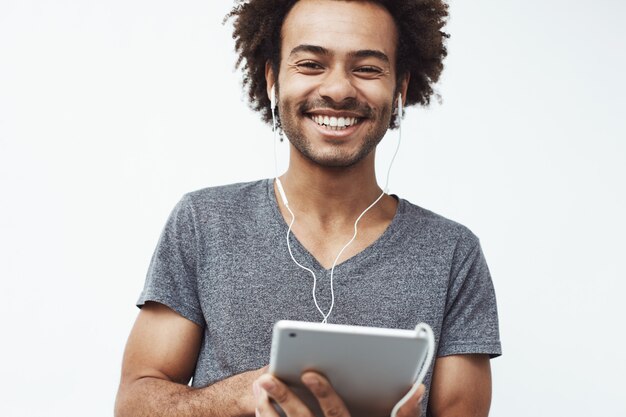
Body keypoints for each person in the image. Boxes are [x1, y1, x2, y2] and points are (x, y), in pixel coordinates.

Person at [114, 1, 501, 416]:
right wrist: (249, 394)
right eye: (311, 64)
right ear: (271, 81)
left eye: (367, 68)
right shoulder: (203, 221)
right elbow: (135, 402)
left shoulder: (452, 253)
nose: (337, 89)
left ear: (400, 89)